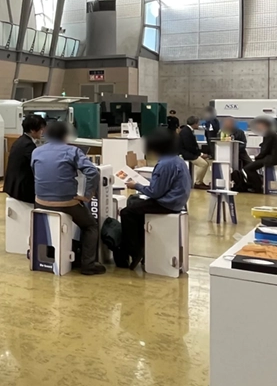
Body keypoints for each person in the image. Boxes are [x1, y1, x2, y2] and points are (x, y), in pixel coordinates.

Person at [31, 121, 104, 275]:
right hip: (66, 202)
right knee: (90, 226)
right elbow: (93, 172)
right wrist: (87, 195)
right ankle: (88, 264)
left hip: (40, 201)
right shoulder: (72, 151)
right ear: (65, 135)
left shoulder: (36, 152)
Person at [120, 127, 192, 269]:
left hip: (167, 203)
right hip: (177, 200)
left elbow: (155, 192)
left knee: (126, 212)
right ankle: (142, 244)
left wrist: (136, 185)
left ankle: (135, 250)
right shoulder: (177, 160)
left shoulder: (164, 164)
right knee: (134, 202)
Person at [4, 115, 46, 204]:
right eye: (41, 129)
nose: (42, 132)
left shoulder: (21, 141)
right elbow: (36, 165)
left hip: (12, 185)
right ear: (32, 130)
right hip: (22, 188)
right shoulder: (28, 145)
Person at [243, 118, 277, 193]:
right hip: (273, 157)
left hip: (271, 159)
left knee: (248, 168)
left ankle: (257, 187)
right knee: (251, 167)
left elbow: (265, 149)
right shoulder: (270, 133)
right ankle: (258, 184)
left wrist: (257, 158)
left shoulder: (268, 134)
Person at [179, 116, 211, 189]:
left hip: (189, 152)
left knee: (205, 162)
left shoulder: (187, 130)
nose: (199, 124)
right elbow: (189, 146)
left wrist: (200, 153)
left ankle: (200, 181)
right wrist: (200, 154)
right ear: (195, 123)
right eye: (198, 123)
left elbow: (192, 146)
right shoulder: (186, 132)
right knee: (204, 164)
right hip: (186, 154)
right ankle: (198, 183)